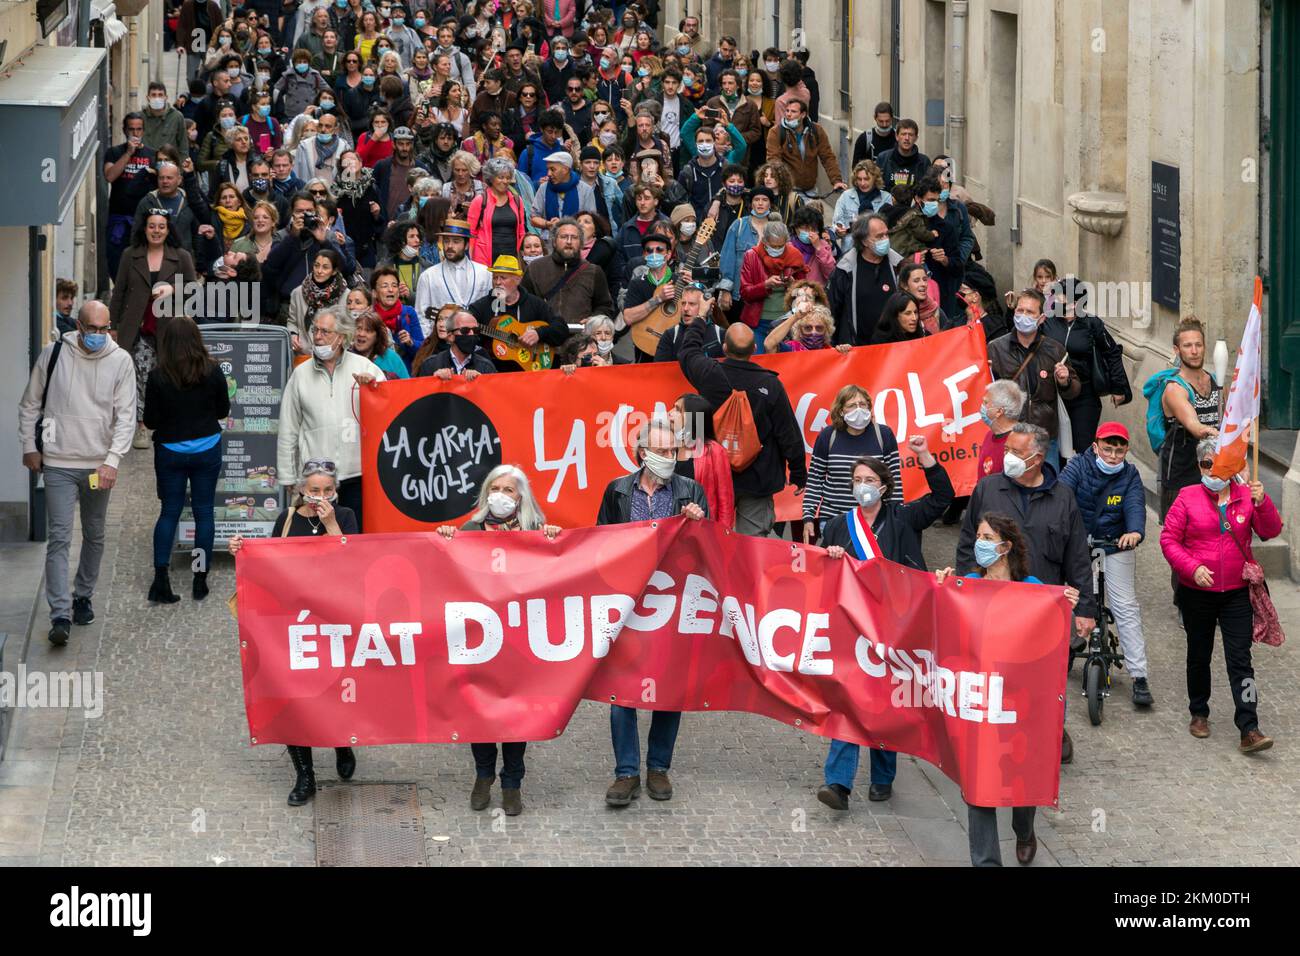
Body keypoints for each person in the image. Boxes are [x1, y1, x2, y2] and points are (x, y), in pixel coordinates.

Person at [934, 513, 1080, 866]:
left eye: (987, 537)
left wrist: (1066, 609)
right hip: (980, 698)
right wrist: (940, 588)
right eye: (979, 536)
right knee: (977, 781)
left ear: (1006, 546)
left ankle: (1024, 828)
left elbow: (1053, 639)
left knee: (1019, 775)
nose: (979, 543)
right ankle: (986, 861)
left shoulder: (1031, 587)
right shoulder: (967, 584)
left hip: (1019, 702)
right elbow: (943, 625)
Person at [819, 437, 952, 807]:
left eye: (869, 479)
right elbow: (821, 579)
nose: (863, 486)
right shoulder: (836, 527)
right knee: (849, 699)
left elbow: (943, 497)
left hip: (899, 624)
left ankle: (882, 775)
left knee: (885, 701)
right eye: (857, 480)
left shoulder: (904, 519)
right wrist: (829, 558)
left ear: (883, 485)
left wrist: (925, 456)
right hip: (854, 626)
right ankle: (838, 783)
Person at [957, 422, 1097, 763]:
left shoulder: (1062, 498)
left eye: (1016, 453)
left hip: (1043, 614)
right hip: (994, 610)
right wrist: (964, 590)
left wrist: (1086, 610)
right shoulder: (988, 489)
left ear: (1037, 458)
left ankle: (1051, 732)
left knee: (1046, 679)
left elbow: (1077, 555)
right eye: (1007, 451)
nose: (1008, 458)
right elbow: (965, 545)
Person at [229, 458, 359, 806]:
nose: (320, 495)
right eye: (314, 490)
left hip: (334, 621)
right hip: (291, 625)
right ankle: (305, 775)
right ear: (301, 489)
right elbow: (268, 566)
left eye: (327, 490)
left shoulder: (344, 516)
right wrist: (243, 552)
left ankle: (342, 743)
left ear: (335, 491)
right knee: (292, 697)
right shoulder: (285, 520)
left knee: (333, 689)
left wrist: (330, 522)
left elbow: (355, 561)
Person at [435, 465, 561, 815]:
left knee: (516, 710)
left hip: (520, 637)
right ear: (486, 491)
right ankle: (483, 774)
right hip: (481, 637)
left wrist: (554, 541)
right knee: (481, 708)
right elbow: (449, 570)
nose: (502, 496)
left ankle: (512, 782)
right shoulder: (471, 528)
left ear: (521, 497)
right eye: (496, 488)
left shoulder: (536, 529)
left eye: (509, 490)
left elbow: (556, 571)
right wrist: (447, 538)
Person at [596, 417, 709, 807]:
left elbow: (707, 549)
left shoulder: (691, 490)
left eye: (673, 452)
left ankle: (658, 768)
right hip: (627, 603)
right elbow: (600, 542)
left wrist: (698, 523)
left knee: (669, 686)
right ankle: (626, 773)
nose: (668, 458)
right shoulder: (617, 491)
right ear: (642, 453)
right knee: (620, 690)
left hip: (673, 603)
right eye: (660, 452)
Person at [19, 302, 134, 645]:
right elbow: (30, 404)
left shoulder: (120, 361)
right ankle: (59, 613)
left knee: (95, 533)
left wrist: (112, 460)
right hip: (58, 462)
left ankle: (83, 595)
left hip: (98, 464)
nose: (97, 336)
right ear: (78, 327)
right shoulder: (54, 353)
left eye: (103, 329)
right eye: (90, 329)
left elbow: (127, 415)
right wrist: (30, 445)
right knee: (60, 537)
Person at [1169, 438, 1285, 754]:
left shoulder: (1247, 496)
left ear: (1231, 466)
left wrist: (1263, 502)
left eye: (1219, 464)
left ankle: (1249, 726)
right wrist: (1191, 568)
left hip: (1236, 594)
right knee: (1199, 654)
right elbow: (1169, 540)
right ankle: (1199, 712)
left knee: (1240, 661)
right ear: (1199, 466)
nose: (1213, 470)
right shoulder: (1186, 497)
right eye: (1207, 464)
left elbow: (1271, 530)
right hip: (1197, 593)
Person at [678, 321, 805, 536]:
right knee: (753, 548)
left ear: (724, 347)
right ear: (754, 348)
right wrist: (799, 473)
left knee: (711, 539)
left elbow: (687, 352)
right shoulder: (771, 384)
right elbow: (787, 432)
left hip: (715, 475)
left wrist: (699, 321)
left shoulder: (709, 374)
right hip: (758, 479)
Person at [1060, 422, 1152, 705]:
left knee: (1125, 606)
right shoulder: (1078, 466)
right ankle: (1064, 650)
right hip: (1079, 543)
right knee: (1068, 597)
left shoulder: (1131, 474)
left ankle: (1140, 676)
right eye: (1108, 450)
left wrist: (1135, 531)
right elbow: (1061, 497)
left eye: (1119, 451)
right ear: (1096, 447)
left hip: (1115, 543)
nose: (1113, 456)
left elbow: (1135, 504)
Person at [142, 316, 229, 604]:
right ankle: (200, 579)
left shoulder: (157, 376)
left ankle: (161, 578)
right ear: (196, 340)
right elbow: (222, 411)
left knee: (169, 512)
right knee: (204, 512)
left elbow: (151, 421)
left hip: (170, 451)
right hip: (206, 449)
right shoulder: (213, 371)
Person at [277, 308, 383, 525]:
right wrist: (288, 476)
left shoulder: (365, 368)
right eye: (315, 330)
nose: (317, 336)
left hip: (358, 476)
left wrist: (373, 389)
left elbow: (388, 413)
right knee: (316, 545)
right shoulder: (300, 374)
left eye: (325, 332)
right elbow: (288, 427)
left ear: (342, 337)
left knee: (354, 541)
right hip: (316, 479)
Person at [109, 211, 199, 448]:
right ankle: (142, 427)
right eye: (152, 226)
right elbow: (118, 292)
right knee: (141, 377)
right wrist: (113, 326)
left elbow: (194, 289)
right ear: (144, 229)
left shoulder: (181, 256)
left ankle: (172, 423)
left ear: (169, 230)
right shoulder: (130, 255)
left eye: (161, 227)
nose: (156, 231)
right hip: (137, 327)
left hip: (171, 329)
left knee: (172, 377)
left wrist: (172, 289)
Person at [987, 288, 1080, 469]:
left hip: (1044, 438)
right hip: (1009, 436)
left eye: (1030, 312)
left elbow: (1074, 391)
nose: (1023, 316)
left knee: (1046, 488)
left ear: (1042, 318)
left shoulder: (1055, 350)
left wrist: (1065, 381)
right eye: (1020, 311)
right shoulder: (996, 349)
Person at [803, 383, 903, 544]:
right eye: (851, 405)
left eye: (862, 404)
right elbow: (815, 480)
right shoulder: (828, 436)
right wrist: (808, 517)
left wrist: (896, 518)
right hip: (834, 518)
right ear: (841, 411)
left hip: (874, 520)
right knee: (838, 566)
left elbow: (894, 480)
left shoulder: (883, 435)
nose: (858, 409)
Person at [1156, 317, 1221, 520]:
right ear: (1177, 350)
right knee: (1179, 536)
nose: (1194, 351)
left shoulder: (1215, 381)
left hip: (1212, 470)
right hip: (1180, 473)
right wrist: (1217, 433)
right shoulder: (1174, 388)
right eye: (1187, 346)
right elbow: (1195, 427)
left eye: (1198, 345)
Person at [468, 255, 570, 371]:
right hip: (494, 374)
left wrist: (539, 333)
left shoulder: (535, 304)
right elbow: (463, 330)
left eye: (503, 278)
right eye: (495, 278)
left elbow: (561, 329)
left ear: (518, 279)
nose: (497, 282)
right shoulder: (481, 306)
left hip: (529, 374)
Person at [521, 217, 615, 317]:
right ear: (554, 242)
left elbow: (605, 307)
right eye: (564, 237)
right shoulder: (535, 269)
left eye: (574, 237)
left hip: (582, 332)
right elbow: (522, 304)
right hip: (544, 331)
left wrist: (593, 320)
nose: (569, 241)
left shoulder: (594, 271)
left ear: (581, 243)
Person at [738, 220, 807, 353]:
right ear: (764, 241)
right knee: (759, 362)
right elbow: (745, 292)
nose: (777, 250)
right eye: (773, 246)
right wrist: (765, 285)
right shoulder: (751, 256)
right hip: (758, 322)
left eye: (780, 246)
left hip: (787, 321)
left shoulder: (794, 255)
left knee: (786, 365)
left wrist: (792, 285)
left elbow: (804, 292)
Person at [414, 218, 493, 332]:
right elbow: (422, 315)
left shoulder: (485, 273)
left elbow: (491, 311)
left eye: (456, 241)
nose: (450, 246)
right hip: (441, 342)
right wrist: (430, 345)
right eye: (446, 241)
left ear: (466, 245)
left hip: (476, 341)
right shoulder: (428, 276)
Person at [104, 114, 159, 280]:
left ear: (143, 130)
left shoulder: (152, 155)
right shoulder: (114, 152)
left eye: (139, 129)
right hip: (119, 218)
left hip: (143, 218)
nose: (135, 133)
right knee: (116, 262)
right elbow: (110, 176)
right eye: (131, 129)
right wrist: (128, 153)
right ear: (124, 130)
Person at [764, 98, 846, 194]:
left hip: (810, 190)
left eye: (793, 111)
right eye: (787, 111)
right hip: (787, 190)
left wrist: (837, 181)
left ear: (803, 115)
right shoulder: (776, 132)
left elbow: (827, 157)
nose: (788, 114)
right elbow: (774, 160)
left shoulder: (816, 130)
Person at [287, 248, 350, 355]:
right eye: (316, 265)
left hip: (335, 354)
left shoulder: (345, 294)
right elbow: (292, 321)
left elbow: (349, 327)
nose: (319, 271)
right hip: (304, 353)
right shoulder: (298, 292)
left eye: (325, 267)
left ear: (334, 271)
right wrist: (293, 335)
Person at [418, 308, 497, 378]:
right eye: (465, 330)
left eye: (475, 330)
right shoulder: (431, 364)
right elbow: (420, 393)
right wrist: (434, 381)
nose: (472, 334)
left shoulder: (486, 367)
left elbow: (493, 393)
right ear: (450, 336)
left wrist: (482, 382)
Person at [975, 379, 1025, 479]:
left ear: (999, 411)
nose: (982, 406)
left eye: (986, 402)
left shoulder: (1020, 444)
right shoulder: (990, 436)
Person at [875, 118, 931, 191]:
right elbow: (876, 187)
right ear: (897, 136)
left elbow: (928, 190)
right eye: (903, 134)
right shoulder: (883, 158)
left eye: (910, 135)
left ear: (916, 138)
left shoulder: (924, 162)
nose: (907, 138)